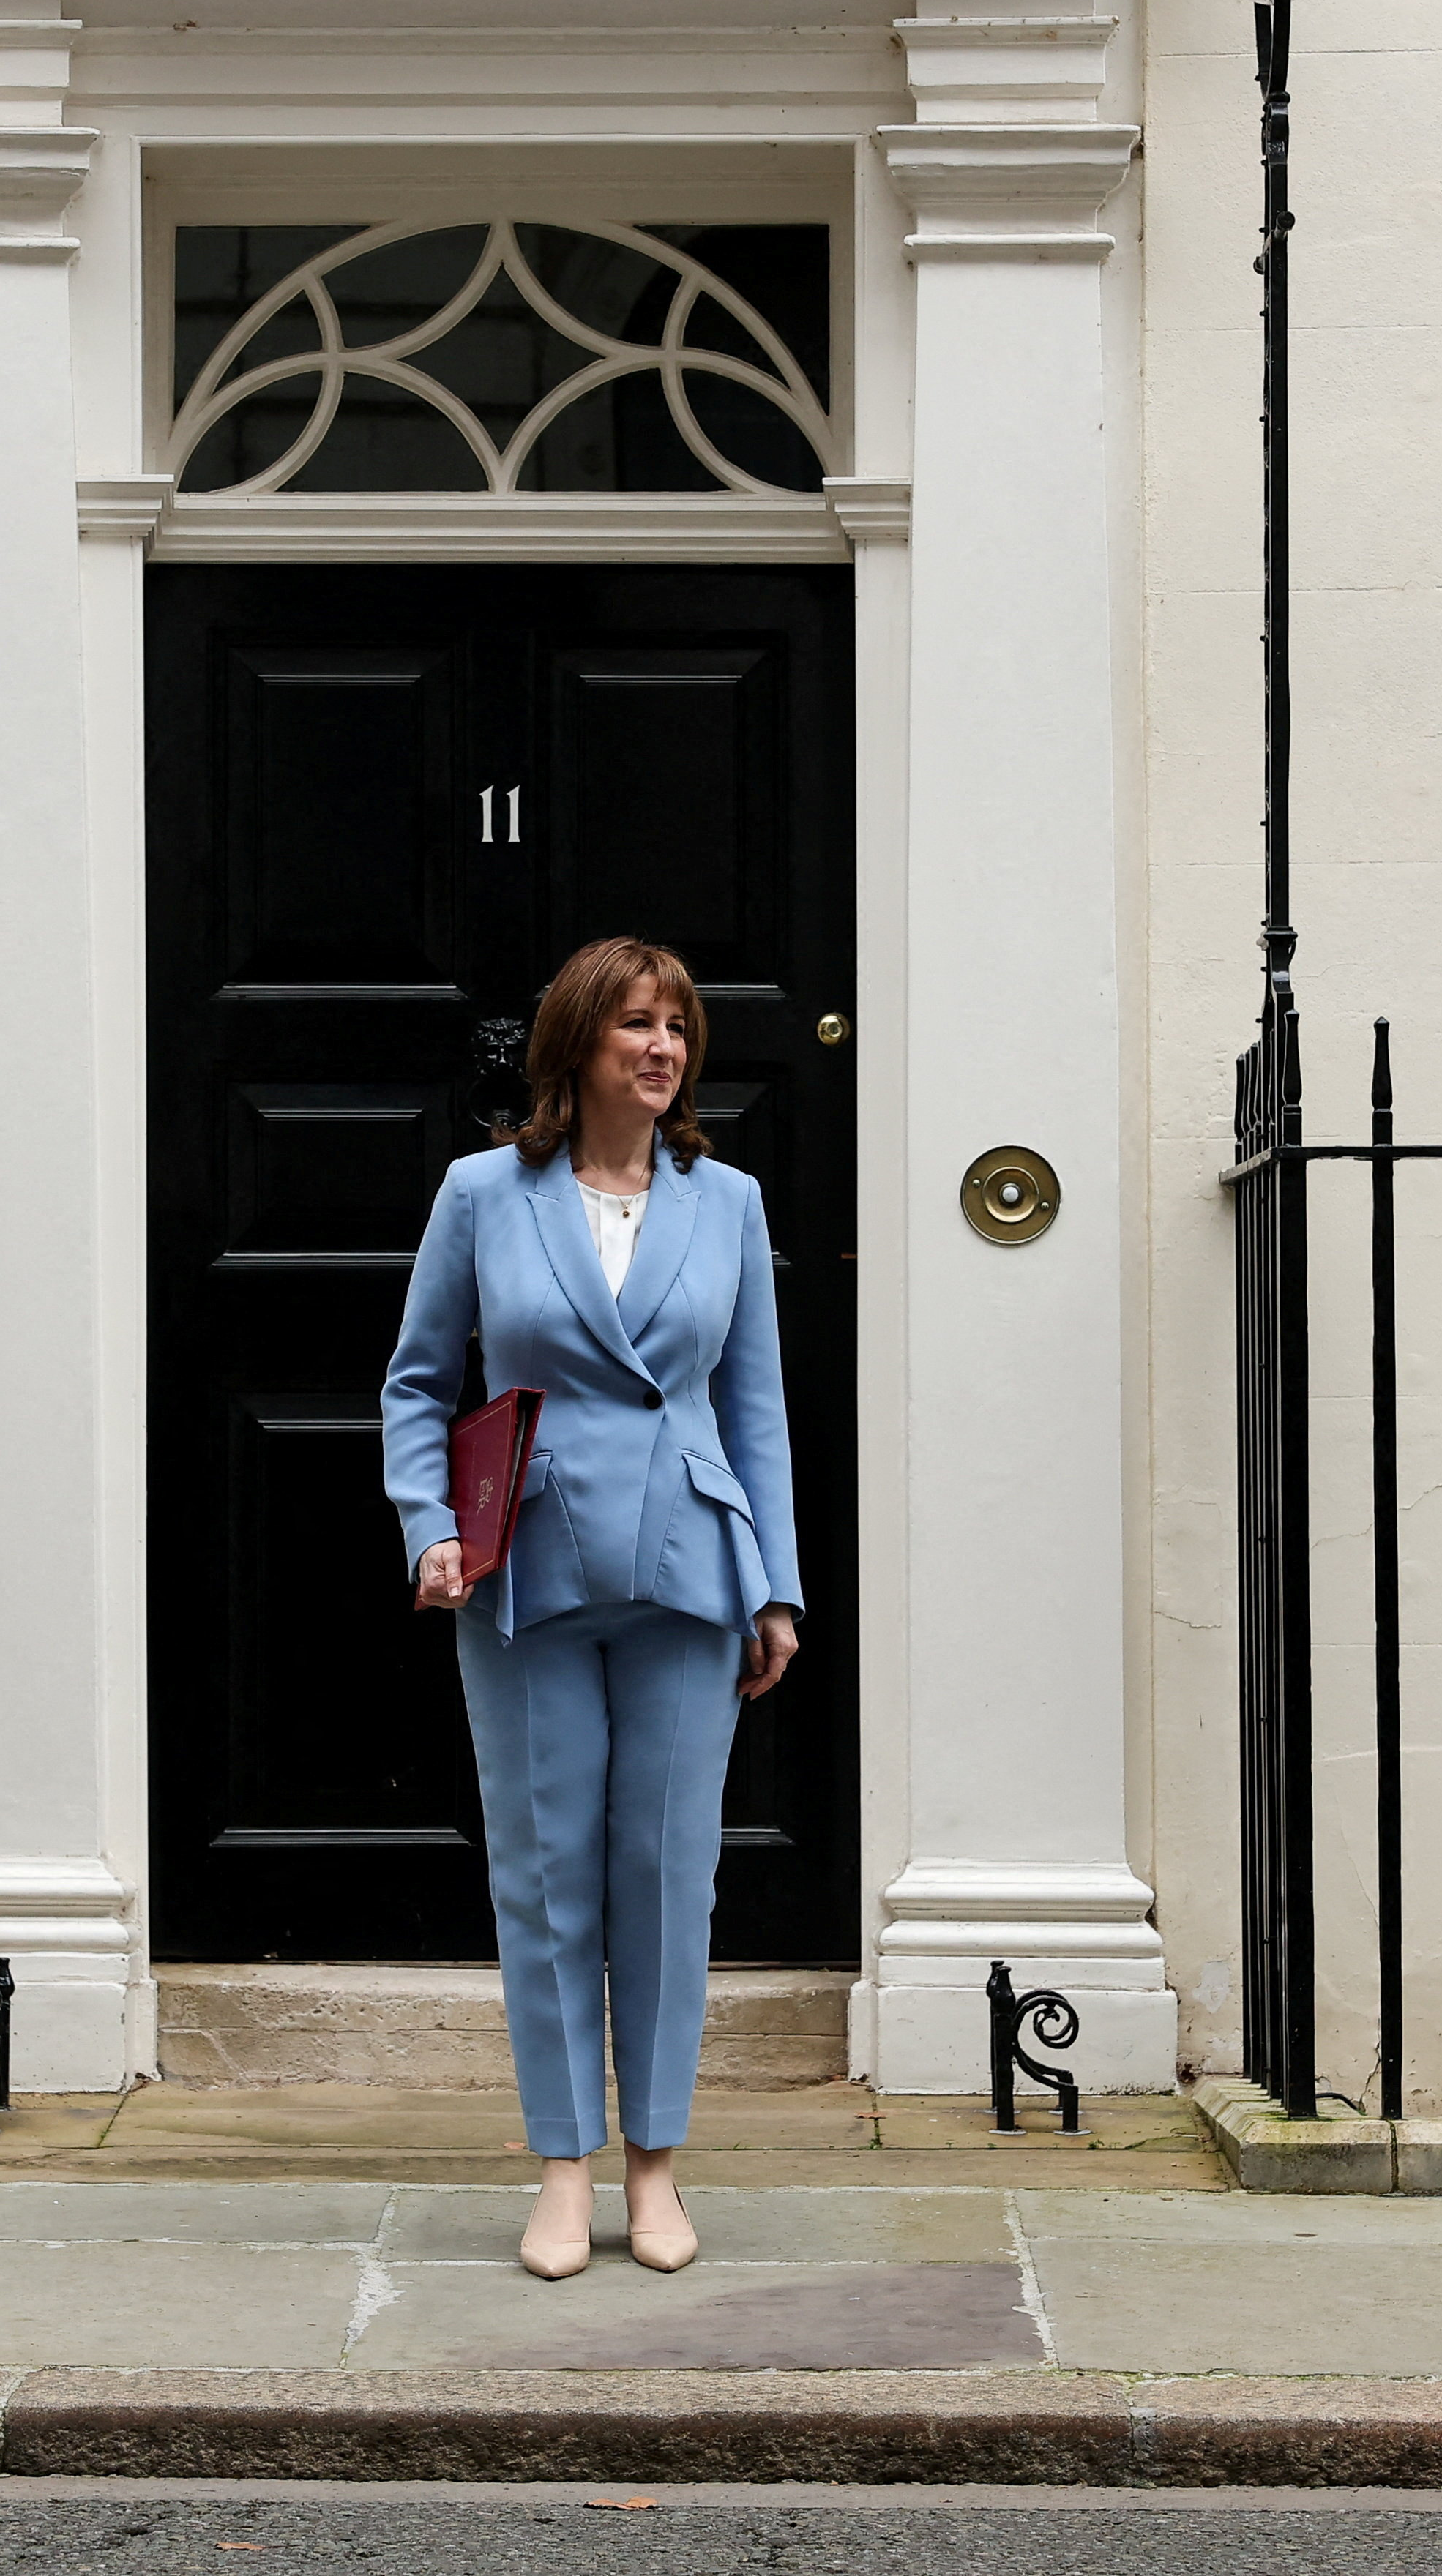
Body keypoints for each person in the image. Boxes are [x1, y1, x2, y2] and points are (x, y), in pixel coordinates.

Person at [381, 937, 804, 2281]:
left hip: (688, 1566)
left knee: (670, 1877)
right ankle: (563, 2169)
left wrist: (776, 1586)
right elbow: (414, 1383)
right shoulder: (484, 1194)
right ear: (579, 1045)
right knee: (550, 1875)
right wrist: (432, 1530)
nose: (663, 1047)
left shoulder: (724, 1200)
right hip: (528, 1570)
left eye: (677, 1026)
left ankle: (655, 2168)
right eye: (635, 1023)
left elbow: (756, 1409)